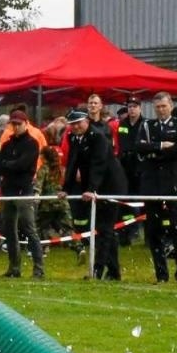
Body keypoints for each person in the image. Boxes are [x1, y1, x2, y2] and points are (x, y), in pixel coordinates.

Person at [133, 92, 177, 283]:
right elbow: (139, 147)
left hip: (173, 183)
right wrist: (159, 146)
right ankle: (161, 274)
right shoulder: (148, 126)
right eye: (157, 107)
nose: (160, 110)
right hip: (151, 184)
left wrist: (155, 153)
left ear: (171, 105)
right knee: (153, 230)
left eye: (164, 106)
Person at [61, 109, 126, 280]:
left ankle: (97, 271)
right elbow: (73, 163)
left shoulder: (98, 138)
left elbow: (99, 165)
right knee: (104, 231)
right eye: (72, 124)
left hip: (110, 186)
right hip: (94, 187)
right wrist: (66, 188)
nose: (75, 127)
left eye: (78, 123)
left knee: (104, 230)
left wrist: (92, 189)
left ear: (87, 121)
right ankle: (113, 272)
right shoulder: (73, 138)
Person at [0, 107, 46, 279]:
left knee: (29, 229)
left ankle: (39, 268)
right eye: (13, 124)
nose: (15, 127)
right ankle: (14, 267)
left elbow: (23, 165)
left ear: (26, 124)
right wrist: (13, 165)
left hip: (24, 190)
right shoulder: (8, 144)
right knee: (9, 230)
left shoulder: (32, 143)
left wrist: (9, 165)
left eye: (18, 124)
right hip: (9, 190)